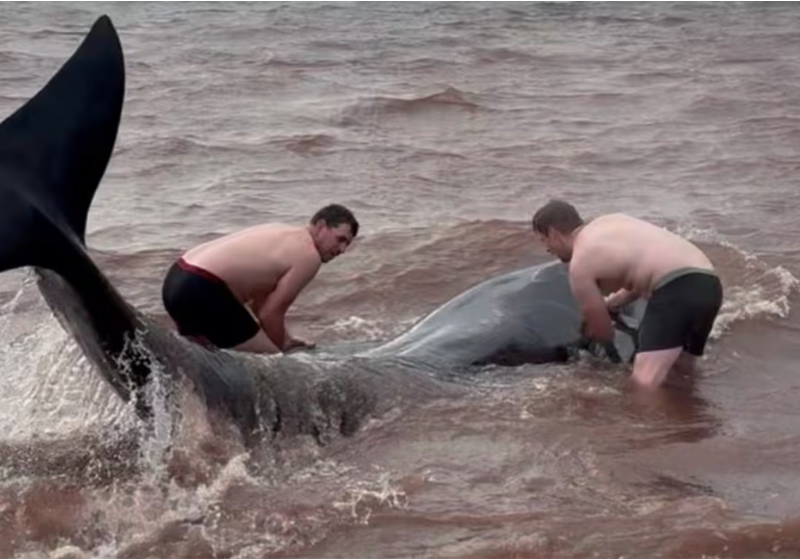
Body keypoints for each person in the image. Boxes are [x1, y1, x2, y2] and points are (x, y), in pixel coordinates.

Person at [531, 199, 723, 390]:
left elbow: (603, 330)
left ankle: (650, 420)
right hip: (709, 284)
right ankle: (690, 413)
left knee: (644, 381)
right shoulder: (612, 222)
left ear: (553, 233)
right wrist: (615, 302)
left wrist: (589, 359)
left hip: (676, 288)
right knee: (681, 367)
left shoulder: (580, 264)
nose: (547, 248)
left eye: (544, 239)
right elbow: (646, 267)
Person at [162, 204, 359, 354]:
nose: (342, 250)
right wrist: (280, 350)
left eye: (347, 245)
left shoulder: (281, 231)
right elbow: (270, 314)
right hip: (203, 288)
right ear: (321, 226)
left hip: (177, 279)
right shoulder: (309, 255)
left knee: (209, 354)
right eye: (340, 239)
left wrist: (286, 339)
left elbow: (260, 305)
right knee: (270, 361)